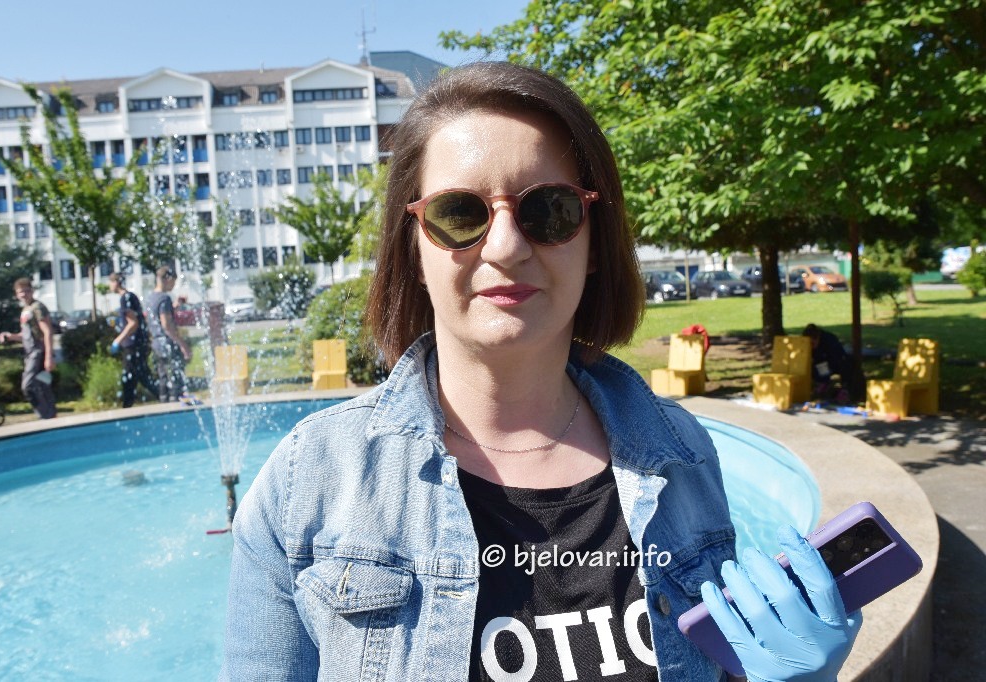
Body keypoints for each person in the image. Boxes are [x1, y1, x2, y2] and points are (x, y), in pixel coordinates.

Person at [222, 62, 860, 681]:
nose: (506, 246)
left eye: (549, 210)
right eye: (459, 213)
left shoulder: (682, 454)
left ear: (593, 241)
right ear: (413, 249)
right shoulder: (308, 481)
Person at [0, 277, 56, 419]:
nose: (23, 294)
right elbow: (26, 335)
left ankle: (45, 415)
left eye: (26, 291)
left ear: (32, 291)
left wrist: (49, 356)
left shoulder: (37, 307)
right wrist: (11, 336)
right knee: (42, 384)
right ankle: (50, 416)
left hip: (38, 351)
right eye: (20, 292)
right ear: (16, 294)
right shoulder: (25, 309)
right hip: (29, 352)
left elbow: (47, 331)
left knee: (28, 385)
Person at [108, 273, 158, 407]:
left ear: (116, 282)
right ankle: (165, 396)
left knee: (130, 377)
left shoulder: (125, 298)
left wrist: (118, 340)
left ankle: (127, 405)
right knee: (141, 376)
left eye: (111, 282)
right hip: (138, 343)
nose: (109, 286)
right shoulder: (130, 296)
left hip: (132, 345)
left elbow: (133, 323)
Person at [144, 265, 192, 402]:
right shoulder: (164, 298)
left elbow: (156, 318)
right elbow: (166, 325)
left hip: (156, 343)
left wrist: (175, 306)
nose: (174, 286)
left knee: (163, 377)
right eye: (173, 282)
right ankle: (176, 404)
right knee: (176, 378)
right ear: (168, 279)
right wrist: (183, 345)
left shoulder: (150, 297)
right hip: (167, 343)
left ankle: (164, 403)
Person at [802, 323, 863, 403]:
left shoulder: (830, 341)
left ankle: (843, 392)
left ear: (817, 338)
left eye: (812, 344)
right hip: (823, 363)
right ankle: (821, 388)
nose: (811, 347)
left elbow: (836, 359)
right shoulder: (815, 346)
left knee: (845, 367)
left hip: (838, 362)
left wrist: (826, 376)